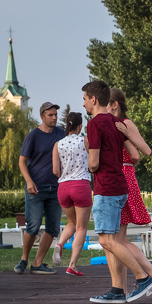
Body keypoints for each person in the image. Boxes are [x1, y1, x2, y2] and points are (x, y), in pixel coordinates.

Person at [83, 80, 152, 302]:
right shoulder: (118, 123)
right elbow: (139, 153)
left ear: (94, 99)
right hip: (121, 185)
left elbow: (93, 163)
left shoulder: (98, 124)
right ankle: (118, 289)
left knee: (108, 241)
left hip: (107, 186)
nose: (83, 104)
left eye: (84, 99)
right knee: (115, 240)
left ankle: (145, 277)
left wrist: (93, 158)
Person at [107, 88, 152, 292]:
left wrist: (125, 133)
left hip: (122, 176)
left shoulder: (126, 123)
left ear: (115, 105)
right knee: (117, 239)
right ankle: (123, 285)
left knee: (117, 240)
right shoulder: (110, 123)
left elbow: (144, 151)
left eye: (107, 103)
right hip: (121, 175)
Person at [15, 101, 65, 275]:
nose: (54, 118)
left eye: (56, 115)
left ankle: (37, 263)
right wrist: (29, 181)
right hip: (36, 187)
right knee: (33, 226)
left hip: (56, 188)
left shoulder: (61, 133)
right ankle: (23, 259)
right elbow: (22, 161)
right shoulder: (33, 136)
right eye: (50, 115)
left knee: (53, 227)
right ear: (42, 116)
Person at [51, 112, 91, 276]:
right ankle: (72, 265)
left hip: (63, 187)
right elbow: (93, 161)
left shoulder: (58, 144)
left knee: (71, 223)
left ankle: (60, 244)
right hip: (81, 185)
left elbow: (55, 171)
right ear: (80, 126)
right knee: (81, 227)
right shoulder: (85, 141)